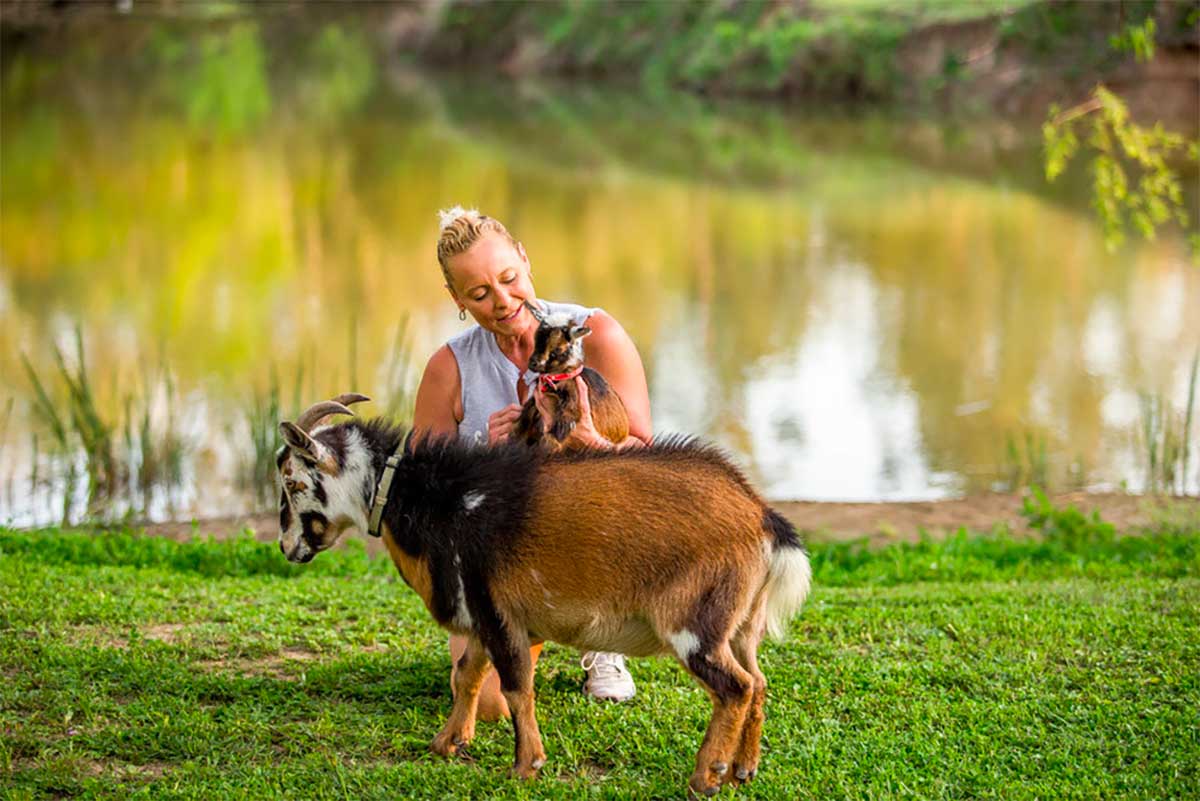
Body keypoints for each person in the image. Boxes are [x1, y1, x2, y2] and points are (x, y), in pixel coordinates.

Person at [411, 206, 653, 721]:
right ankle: (535, 624)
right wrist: (488, 458)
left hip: (593, 531)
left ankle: (601, 635)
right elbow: (425, 498)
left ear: (525, 259)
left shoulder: (597, 334)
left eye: (508, 279)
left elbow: (650, 466)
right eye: (478, 294)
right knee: (493, 707)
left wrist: (589, 442)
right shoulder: (447, 369)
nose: (502, 301)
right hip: (505, 556)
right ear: (456, 300)